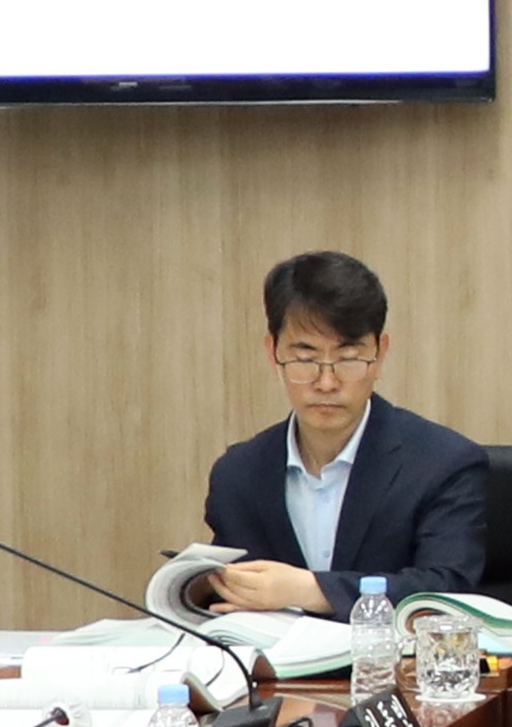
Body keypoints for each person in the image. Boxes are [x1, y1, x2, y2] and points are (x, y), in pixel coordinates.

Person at [194, 250, 494, 610]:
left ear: (379, 354)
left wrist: (310, 590)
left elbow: (447, 589)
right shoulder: (238, 474)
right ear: (273, 353)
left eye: (348, 359)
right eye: (305, 359)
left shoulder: (444, 463)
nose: (326, 382)